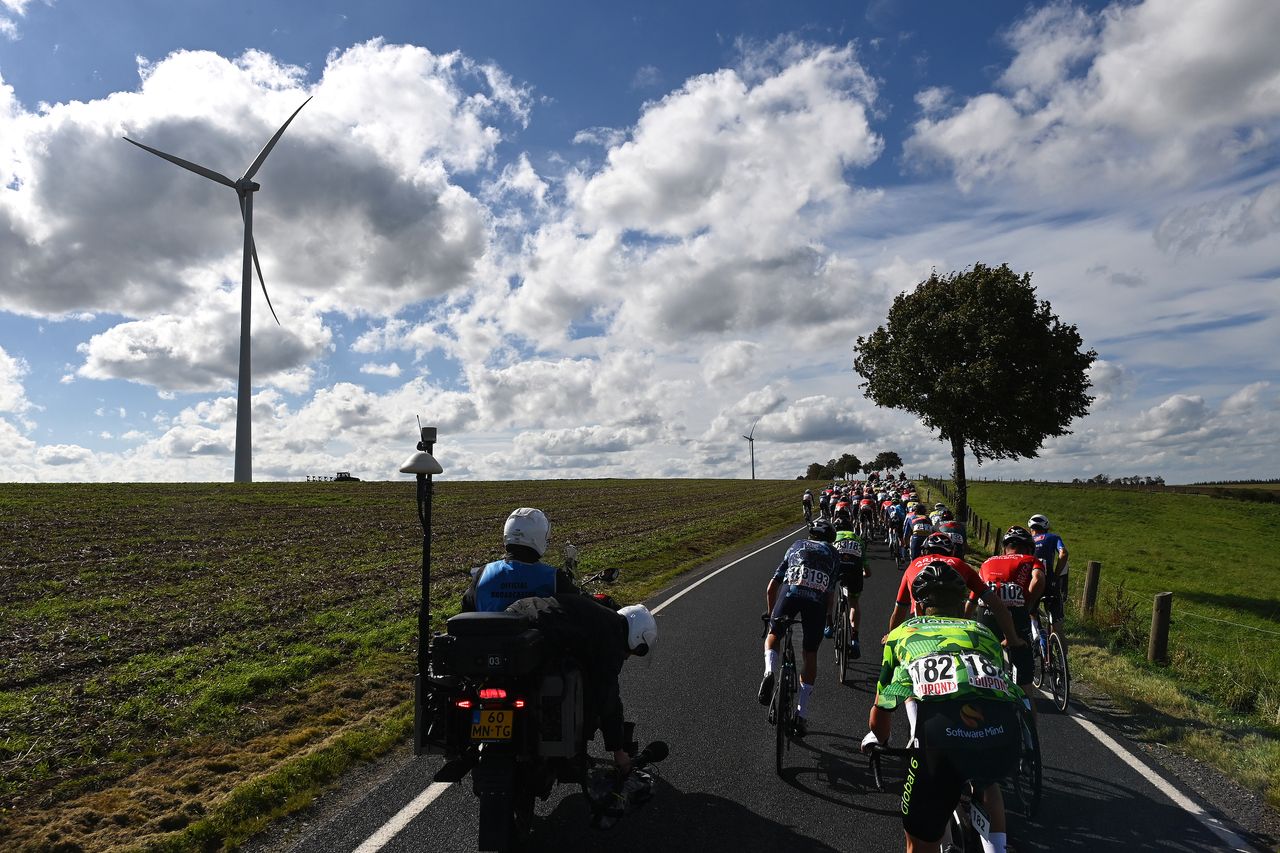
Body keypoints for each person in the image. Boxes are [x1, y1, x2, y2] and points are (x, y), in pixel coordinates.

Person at [862, 563, 1025, 853]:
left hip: (941, 743)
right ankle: (997, 848)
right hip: (1004, 736)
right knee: (988, 781)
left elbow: (883, 708)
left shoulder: (902, 633)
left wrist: (880, 738)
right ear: (962, 604)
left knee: (917, 841)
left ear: (921, 606)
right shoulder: (983, 633)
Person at [506, 594, 657, 773]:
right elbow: (608, 699)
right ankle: (565, 753)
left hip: (513, 618)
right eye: (639, 650)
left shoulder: (598, 615)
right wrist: (618, 751)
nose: (631, 655)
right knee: (577, 691)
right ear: (638, 637)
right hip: (538, 629)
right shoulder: (610, 638)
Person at [758, 520, 839, 737]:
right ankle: (801, 714)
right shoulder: (833, 553)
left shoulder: (796, 545)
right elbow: (830, 594)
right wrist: (829, 619)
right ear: (830, 538)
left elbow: (771, 587)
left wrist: (771, 616)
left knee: (774, 634)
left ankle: (769, 672)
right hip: (816, 602)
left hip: (790, 594)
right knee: (810, 653)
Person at [886, 534, 1024, 653]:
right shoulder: (959, 563)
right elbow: (996, 603)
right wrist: (1012, 638)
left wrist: (890, 637)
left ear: (924, 552)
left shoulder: (914, 564)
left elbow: (899, 609)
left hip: (921, 624)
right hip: (956, 626)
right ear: (951, 552)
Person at [974, 526, 1045, 723]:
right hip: (1015, 613)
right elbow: (1038, 579)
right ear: (1029, 548)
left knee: (983, 667)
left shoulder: (987, 562)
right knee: (1024, 683)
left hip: (986, 612)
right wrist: (1028, 602)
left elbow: (974, 595)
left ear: (1006, 547)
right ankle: (1030, 734)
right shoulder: (1031, 560)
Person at [460, 507, 579, 612]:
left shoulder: (483, 573)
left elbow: (466, 611)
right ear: (540, 537)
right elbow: (581, 608)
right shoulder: (553, 577)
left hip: (486, 636)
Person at [829, 528, 870, 658]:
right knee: (854, 603)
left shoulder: (833, 537)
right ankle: (854, 638)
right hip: (855, 571)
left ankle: (828, 624)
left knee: (828, 592)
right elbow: (867, 571)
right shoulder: (858, 540)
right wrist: (864, 574)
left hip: (838, 568)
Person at [1029, 514, 1069, 642]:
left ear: (1031, 528)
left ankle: (1037, 638)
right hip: (1050, 583)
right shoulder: (1053, 537)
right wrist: (1055, 575)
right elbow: (1063, 554)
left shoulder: (1027, 541)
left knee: (1031, 612)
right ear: (1046, 528)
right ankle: (1060, 658)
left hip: (1033, 582)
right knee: (1056, 627)